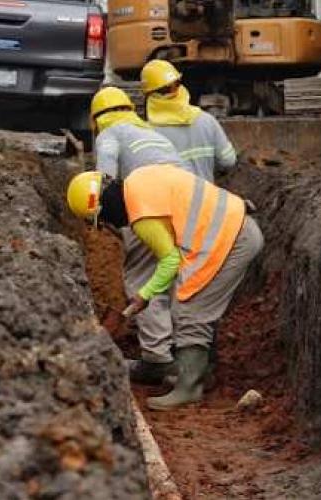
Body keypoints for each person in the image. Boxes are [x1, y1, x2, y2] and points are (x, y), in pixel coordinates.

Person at [66, 165, 264, 410]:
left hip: (230, 239)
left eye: (101, 220)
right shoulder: (139, 180)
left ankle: (188, 388)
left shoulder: (141, 216)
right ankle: (201, 371)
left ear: (103, 208)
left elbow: (170, 261)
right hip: (237, 225)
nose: (107, 226)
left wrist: (144, 294)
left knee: (190, 306)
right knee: (195, 302)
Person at [90, 86, 189, 386]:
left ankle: (157, 358)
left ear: (97, 118)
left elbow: (105, 178)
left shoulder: (110, 135)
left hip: (150, 205)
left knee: (143, 275)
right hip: (187, 202)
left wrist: (95, 213)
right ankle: (187, 351)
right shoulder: (151, 134)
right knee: (174, 271)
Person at [141, 60, 237, 182]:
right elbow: (228, 161)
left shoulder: (147, 133)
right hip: (206, 197)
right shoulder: (207, 121)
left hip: (171, 199)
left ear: (149, 94)